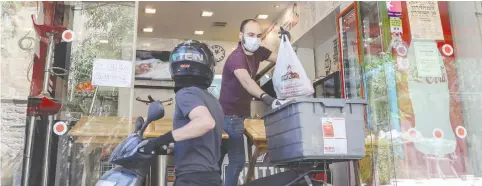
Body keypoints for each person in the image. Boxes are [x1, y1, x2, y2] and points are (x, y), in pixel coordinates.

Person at [139, 40, 224, 186]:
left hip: (192, 178)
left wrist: (161, 140)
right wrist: (174, 146)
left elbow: (205, 123)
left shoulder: (186, 93)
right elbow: (203, 139)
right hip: (211, 177)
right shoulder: (212, 100)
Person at [219, 19, 290, 186]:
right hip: (228, 115)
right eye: (250, 35)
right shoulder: (236, 57)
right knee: (237, 161)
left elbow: (282, 60)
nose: (255, 39)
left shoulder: (258, 51)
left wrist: (286, 43)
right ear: (241, 35)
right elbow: (246, 81)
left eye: (258, 36)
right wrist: (267, 98)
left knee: (217, 159)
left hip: (241, 115)